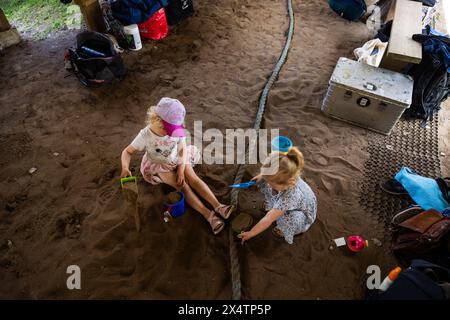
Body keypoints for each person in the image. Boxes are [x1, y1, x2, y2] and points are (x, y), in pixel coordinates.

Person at [120, 97, 234, 234]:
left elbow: (182, 148)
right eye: (168, 129)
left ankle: (218, 206)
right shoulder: (145, 135)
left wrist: (181, 168)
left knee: (193, 178)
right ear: (157, 120)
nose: (171, 133)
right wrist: (125, 168)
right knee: (182, 186)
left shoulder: (176, 129)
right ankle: (208, 215)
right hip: (159, 165)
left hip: (178, 158)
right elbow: (127, 152)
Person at [239, 147, 317, 244]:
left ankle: (285, 230)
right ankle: (273, 204)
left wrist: (251, 233)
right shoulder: (287, 172)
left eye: (273, 184)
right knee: (265, 184)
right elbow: (271, 174)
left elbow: (268, 219)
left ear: (289, 183)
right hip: (286, 196)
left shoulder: (289, 197)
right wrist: (262, 176)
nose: (270, 184)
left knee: (290, 219)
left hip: (301, 213)